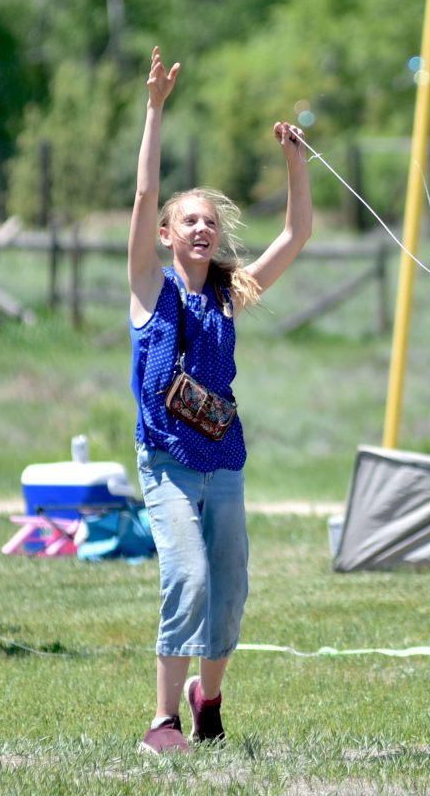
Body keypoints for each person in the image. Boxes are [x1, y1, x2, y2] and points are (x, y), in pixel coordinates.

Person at [128, 46, 312, 754]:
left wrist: (295, 162)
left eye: (210, 221)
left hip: (224, 459)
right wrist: (155, 110)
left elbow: (296, 234)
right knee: (189, 576)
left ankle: (208, 701)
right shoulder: (151, 286)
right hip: (168, 462)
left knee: (229, 588)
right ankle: (162, 722)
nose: (202, 228)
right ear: (167, 235)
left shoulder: (230, 294)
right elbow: (144, 195)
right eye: (189, 221)